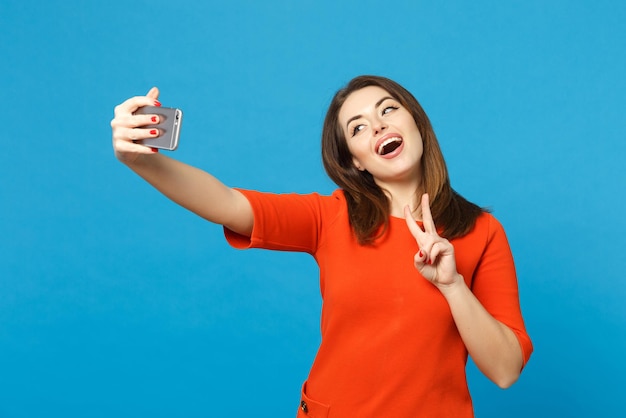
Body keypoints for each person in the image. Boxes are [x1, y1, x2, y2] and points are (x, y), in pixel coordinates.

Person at [111, 75, 532, 417]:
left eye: (388, 110)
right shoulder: (332, 217)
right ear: (354, 160)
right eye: (358, 127)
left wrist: (453, 285)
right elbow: (228, 203)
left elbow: (506, 370)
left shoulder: (482, 230)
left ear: (417, 124)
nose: (379, 125)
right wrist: (143, 160)